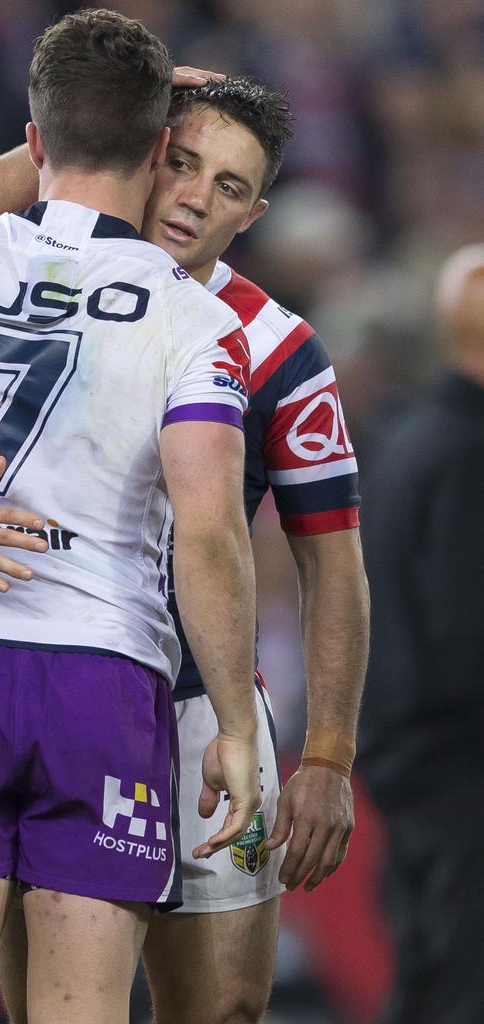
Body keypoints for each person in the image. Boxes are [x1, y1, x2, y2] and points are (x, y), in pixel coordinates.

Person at [0, 76, 369, 1024]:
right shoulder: (20, 292)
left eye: (229, 186)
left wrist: (326, 751)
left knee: (225, 1009)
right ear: (148, 154)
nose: (195, 196)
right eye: (184, 163)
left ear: (255, 212)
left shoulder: (279, 348)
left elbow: (334, 564)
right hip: (78, 683)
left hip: (199, 704)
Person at [359, 245, 484, 1024]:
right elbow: (467, 635)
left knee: (434, 983)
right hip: (464, 771)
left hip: (413, 769)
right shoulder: (469, 455)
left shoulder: (410, 440)